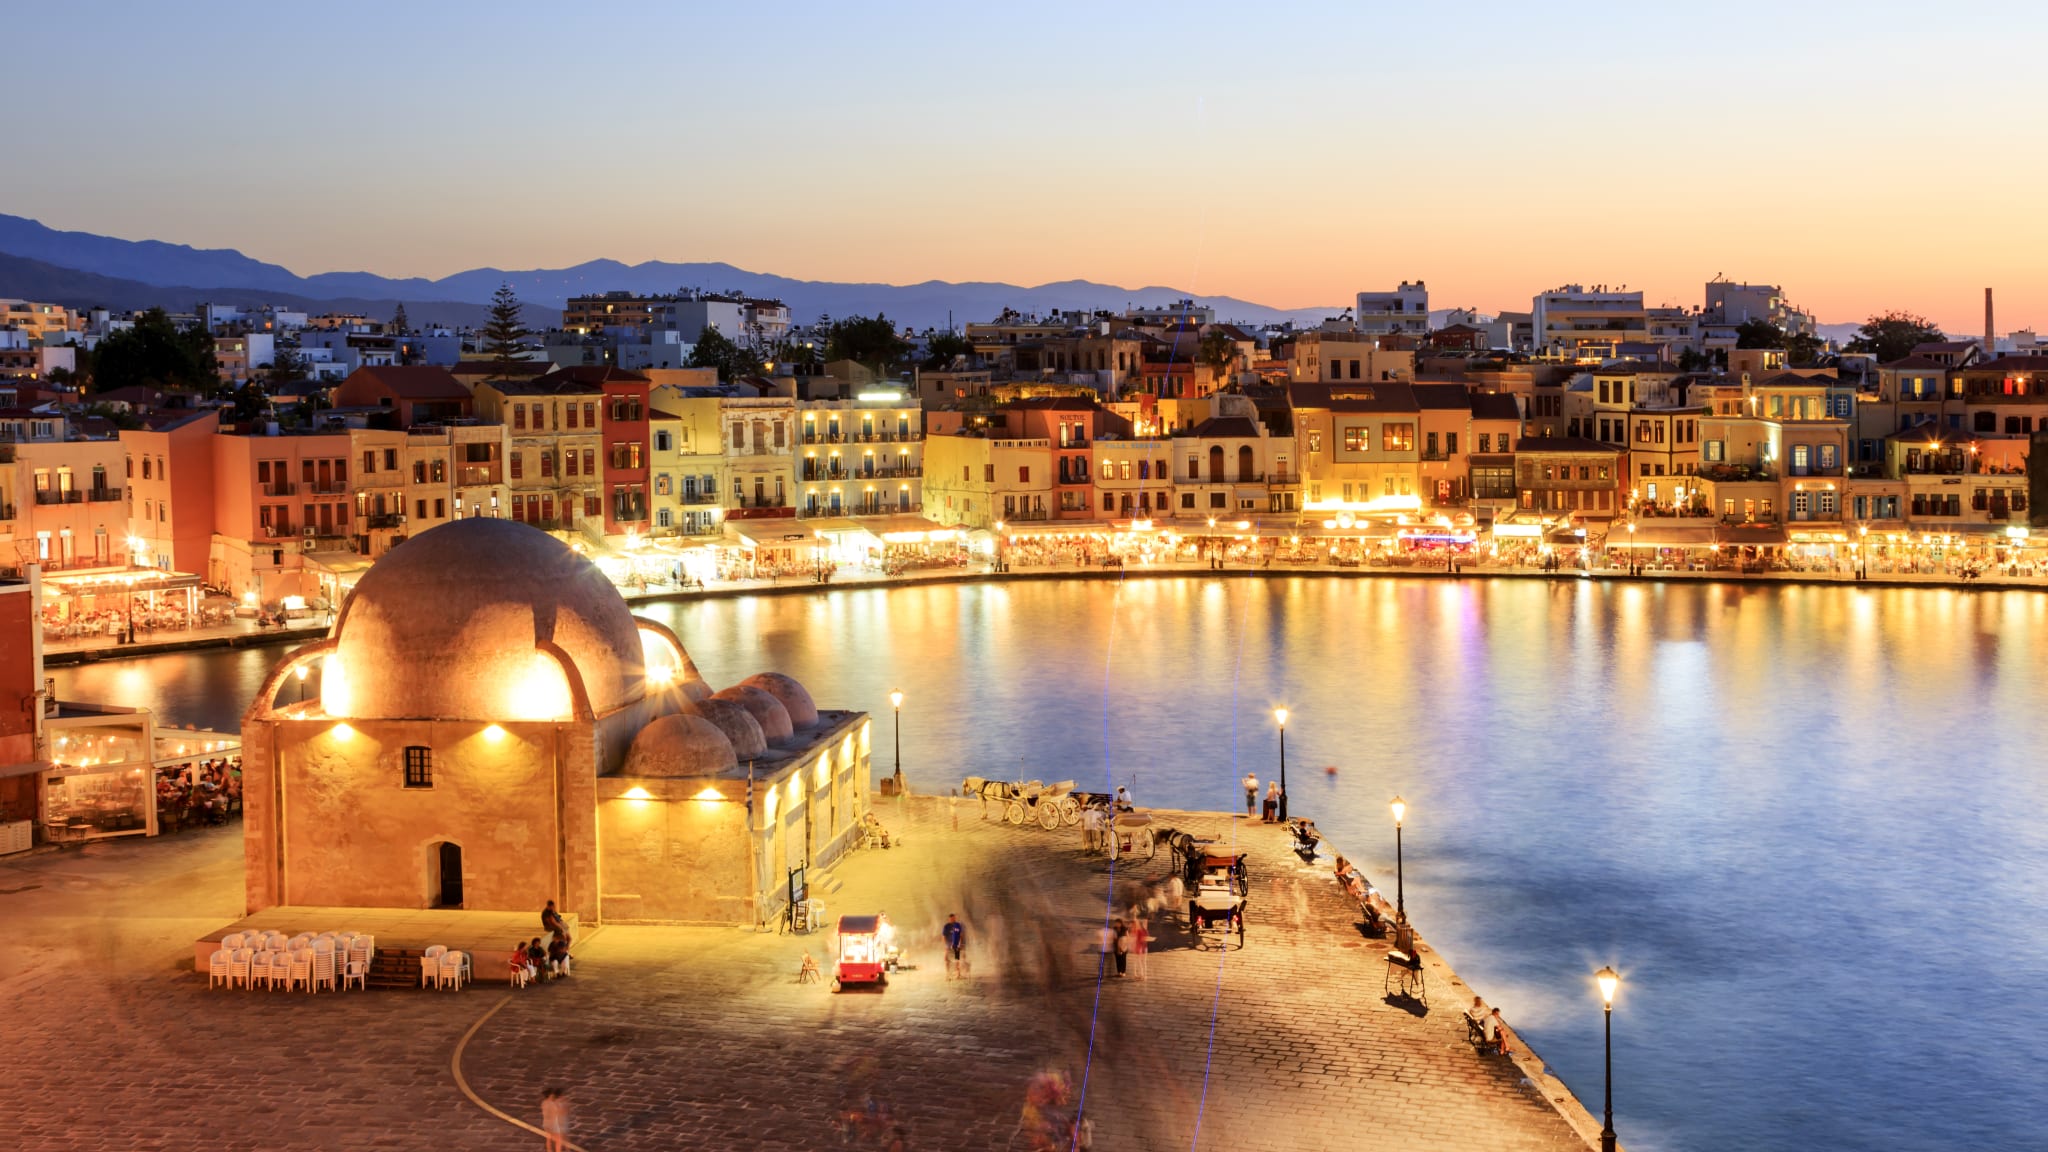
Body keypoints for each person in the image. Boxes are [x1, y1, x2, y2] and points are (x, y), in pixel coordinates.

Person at [540, 1088, 571, 1152]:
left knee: (549, 1138)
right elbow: (560, 1113)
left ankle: (550, 1150)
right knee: (559, 1140)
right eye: (552, 1095)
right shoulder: (553, 1104)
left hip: (547, 1123)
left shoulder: (544, 1103)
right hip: (554, 1124)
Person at [942, 913, 966, 979]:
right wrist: (946, 945)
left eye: (954, 918)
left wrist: (960, 944)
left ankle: (958, 974)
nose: (953, 919)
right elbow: (943, 937)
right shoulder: (946, 926)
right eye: (952, 918)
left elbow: (960, 935)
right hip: (949, 945)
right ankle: (948, 974)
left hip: (956, 945)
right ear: (949, 919)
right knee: (946, 959)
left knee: (957, 959)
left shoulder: (957, 925)